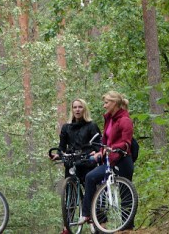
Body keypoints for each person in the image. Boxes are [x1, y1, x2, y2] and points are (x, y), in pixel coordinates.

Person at [79, 91, 135, 229]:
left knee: (125, 192)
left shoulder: (125, 120)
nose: (104, 106)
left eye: (106, 103)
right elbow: (105, 141)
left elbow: (127, 142)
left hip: (123, 159)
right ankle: (86, 214)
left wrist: (114, 148)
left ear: (114, 103)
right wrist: (100, 152)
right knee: (90, 177)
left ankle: (127, 227)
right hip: (109, 160)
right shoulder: (109, 119)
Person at [50, 98, 101, 234]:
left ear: (84, 109)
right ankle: (67, 227)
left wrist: (94, 153)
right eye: (75, 107)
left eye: (80, 107)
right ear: (72, 110)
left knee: (93, 193)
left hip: (87, 163)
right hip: (71, 163)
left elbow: (98, 145)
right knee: (70, 195)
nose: (77, 109)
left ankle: (101, 224)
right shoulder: (66, 127)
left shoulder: (92, 125)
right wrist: (57, 155)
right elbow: (61, 147)